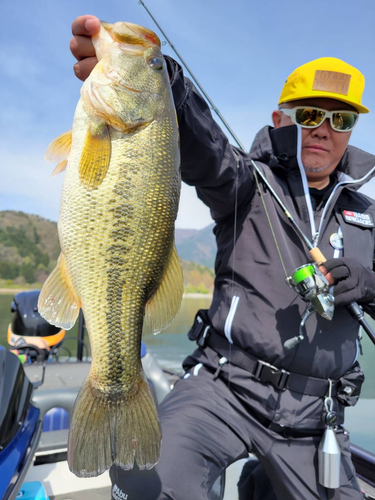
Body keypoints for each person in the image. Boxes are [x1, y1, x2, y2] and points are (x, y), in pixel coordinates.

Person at [70, 16, 375, 500]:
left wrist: (369, 282)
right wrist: (162, 80)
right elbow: (203, 147)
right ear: (281, 120)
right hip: (222, 386)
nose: (324, 129)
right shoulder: (246, 182)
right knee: (152, 486)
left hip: (317, 413)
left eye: (341, 119)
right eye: (310, 114)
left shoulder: (368, 216)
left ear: (351, 130)